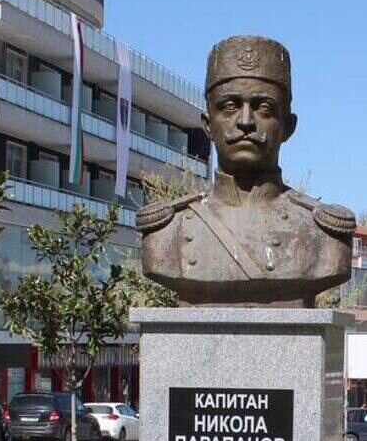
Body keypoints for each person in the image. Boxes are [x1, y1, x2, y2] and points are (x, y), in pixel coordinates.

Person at [140, 35, 354, 307]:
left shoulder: (323, 234)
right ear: (208, 125)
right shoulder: (168, 229)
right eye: (229, 106)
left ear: (288, 127)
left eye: (264, 108)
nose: (245, 121)